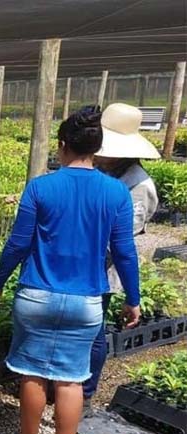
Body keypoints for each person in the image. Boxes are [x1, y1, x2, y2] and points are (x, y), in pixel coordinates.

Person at [0, 107, 141, 434]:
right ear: (98, 147)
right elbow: (124, 251)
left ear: (61, 146)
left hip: (37, 295)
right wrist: (132, 298)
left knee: (32, 373)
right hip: (87, 301)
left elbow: (18, 244)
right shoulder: (116, 192)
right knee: (71, 378)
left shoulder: (41, 186)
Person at [83, 103, 160, 412]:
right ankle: (66, 387)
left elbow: (121, 242)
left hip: (103, 267)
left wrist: (133, 294)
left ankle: (85, 393)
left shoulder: (138, 186)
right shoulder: (101, 171)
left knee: (93, 330)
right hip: (81, 263)